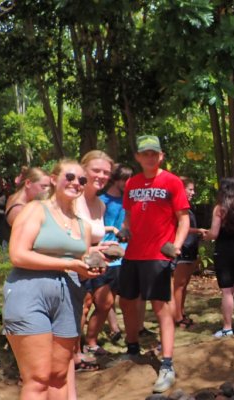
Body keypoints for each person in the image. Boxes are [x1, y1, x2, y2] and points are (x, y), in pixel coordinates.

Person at [4, 159, 102, 399]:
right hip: (29, 293)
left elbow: (82, 261)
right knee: (37, 379)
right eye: (70, 177)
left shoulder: (83, 226)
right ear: (54, 179)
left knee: (59, 376)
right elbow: (18, 255)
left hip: (69, 298)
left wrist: (93, 265)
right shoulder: (35, 210)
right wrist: (67, 263)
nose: (76, 183)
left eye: (82, 180)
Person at [119, 135, 190, 393]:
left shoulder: (172, 182)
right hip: (132, 254)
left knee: (161, 307)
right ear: (138, 157)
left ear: (161, 156)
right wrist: (125, 231)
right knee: (126, 301)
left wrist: (178, 245)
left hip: (159, 254)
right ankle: (132, 349)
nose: (149, 157)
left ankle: (167, 364)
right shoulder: (131, 183)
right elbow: (129, 216)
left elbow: (183, 219)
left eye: (154, 153)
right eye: (144, 153)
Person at [83, 164, 132, 354]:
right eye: (125, 180)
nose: (128, 184)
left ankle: (91, 341)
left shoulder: (128, 201)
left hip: (123, 258)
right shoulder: (101, 201)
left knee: (107, 303)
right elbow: (90, 230)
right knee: (88, 304)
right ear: (116, 180)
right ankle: (79, 347)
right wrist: (110, 231)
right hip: (100, 257)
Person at [74, 150, 114, 373]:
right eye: (96, 170)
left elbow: (96, 235)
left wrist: (104, 249)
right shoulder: (73, 199)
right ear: (84, 170)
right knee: (83, 307)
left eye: (106, 172)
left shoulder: (100, 204)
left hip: (96, 262)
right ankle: (76, 353)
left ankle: (90, 342)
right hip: (75, 264)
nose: (101, 175)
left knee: (105, 303)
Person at [201, 177, 234, 337]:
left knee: (227, 291)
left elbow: (214, 233)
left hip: (224, 249)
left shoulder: (220, 209)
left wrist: (205, 235)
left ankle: (227, 327)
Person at [173, 177, 202, 329]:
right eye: (190, 189)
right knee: (178, 285)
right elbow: (179, 228)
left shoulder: (187, 208)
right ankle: (176, 317)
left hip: (191, 250)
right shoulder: (175, 207)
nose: (193, 192)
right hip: (181, 250)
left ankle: (181, 313)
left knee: (184, 285)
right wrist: (198, 231)